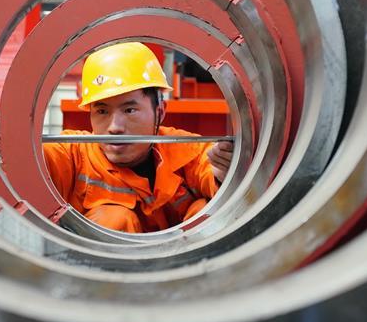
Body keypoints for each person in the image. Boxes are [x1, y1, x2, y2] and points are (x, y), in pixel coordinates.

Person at [43, 42, 234, 233]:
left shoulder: (185, 150)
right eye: (102, 111)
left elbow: (209, 167)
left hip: (188, 252)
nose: (114, 127)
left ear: (160, 112)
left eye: (129, 110)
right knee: (114, 220)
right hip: (104, 253)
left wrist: (224, 173)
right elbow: (34, 157)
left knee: (204, 212)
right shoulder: (74, 155)